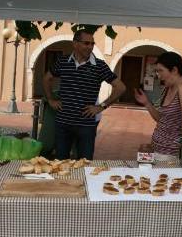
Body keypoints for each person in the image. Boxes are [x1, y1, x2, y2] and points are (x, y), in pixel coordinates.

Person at [42, 29, 127, 160]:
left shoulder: (99, 66)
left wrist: (101, 106)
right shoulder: (63, 61)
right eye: (86, 43)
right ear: (75, 44)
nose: (90, 47)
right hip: (63, 123)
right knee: (60, 162)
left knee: (85, 164)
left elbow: (120, 87)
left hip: (86, 125)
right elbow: (47, 78)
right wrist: (51, 99)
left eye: (92, 44)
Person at [134, 52, 182, 162]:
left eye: (160, 71)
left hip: (171, 155)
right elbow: (161, 119)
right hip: (156, 150)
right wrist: (147, 103)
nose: (158, 75)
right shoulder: (167, 89)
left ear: (174, 70)